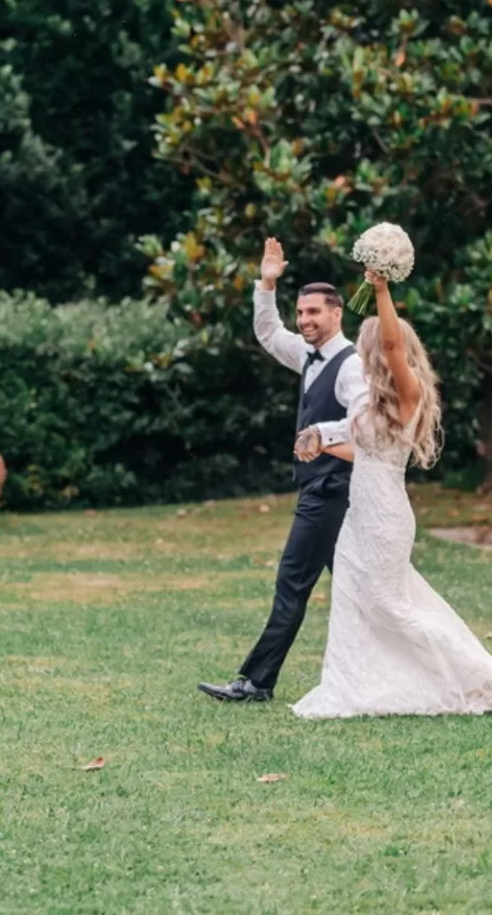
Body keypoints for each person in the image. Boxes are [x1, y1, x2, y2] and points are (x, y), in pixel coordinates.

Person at [290, 268, 492, 719]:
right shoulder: (371, 402)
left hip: (386, 516)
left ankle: (476, 675)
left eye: (368, 348)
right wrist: (320, 442)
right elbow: (362, 452)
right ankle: (350, 687)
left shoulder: (409, 394)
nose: (364, 354)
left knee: (390, 605)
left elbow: (393, 344)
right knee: (351, 597)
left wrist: (380, 289)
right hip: (359, 510)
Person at [198, 237, 367, 703]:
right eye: (301, 313)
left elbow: (366, 422)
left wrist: (321, 433)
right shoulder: (307, 355)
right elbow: (269, 333)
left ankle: (256, 681)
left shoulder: (351, 366)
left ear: (336, 314)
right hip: (325, 489)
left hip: (331, 491)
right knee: (364, 590)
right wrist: (267, 283)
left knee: (292, 583)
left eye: (314, 312)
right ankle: (387, 672)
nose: (305, 320)